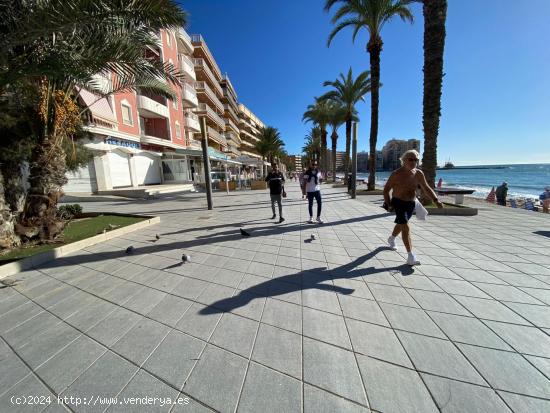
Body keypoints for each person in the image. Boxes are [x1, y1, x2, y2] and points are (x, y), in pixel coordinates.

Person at [383, 150, 443, 266]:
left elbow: (426, 188)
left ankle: (391, 238)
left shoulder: (418, 173)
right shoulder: (396, 174)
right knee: (405, 226)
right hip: (398, 202)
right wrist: (389, 204)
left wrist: (436, 200)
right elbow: (386, 190)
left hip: (411, 203)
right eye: (411, 159)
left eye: (416, 160)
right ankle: (411, 256)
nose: (414, 162)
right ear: (404, 160)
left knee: (401, 225)